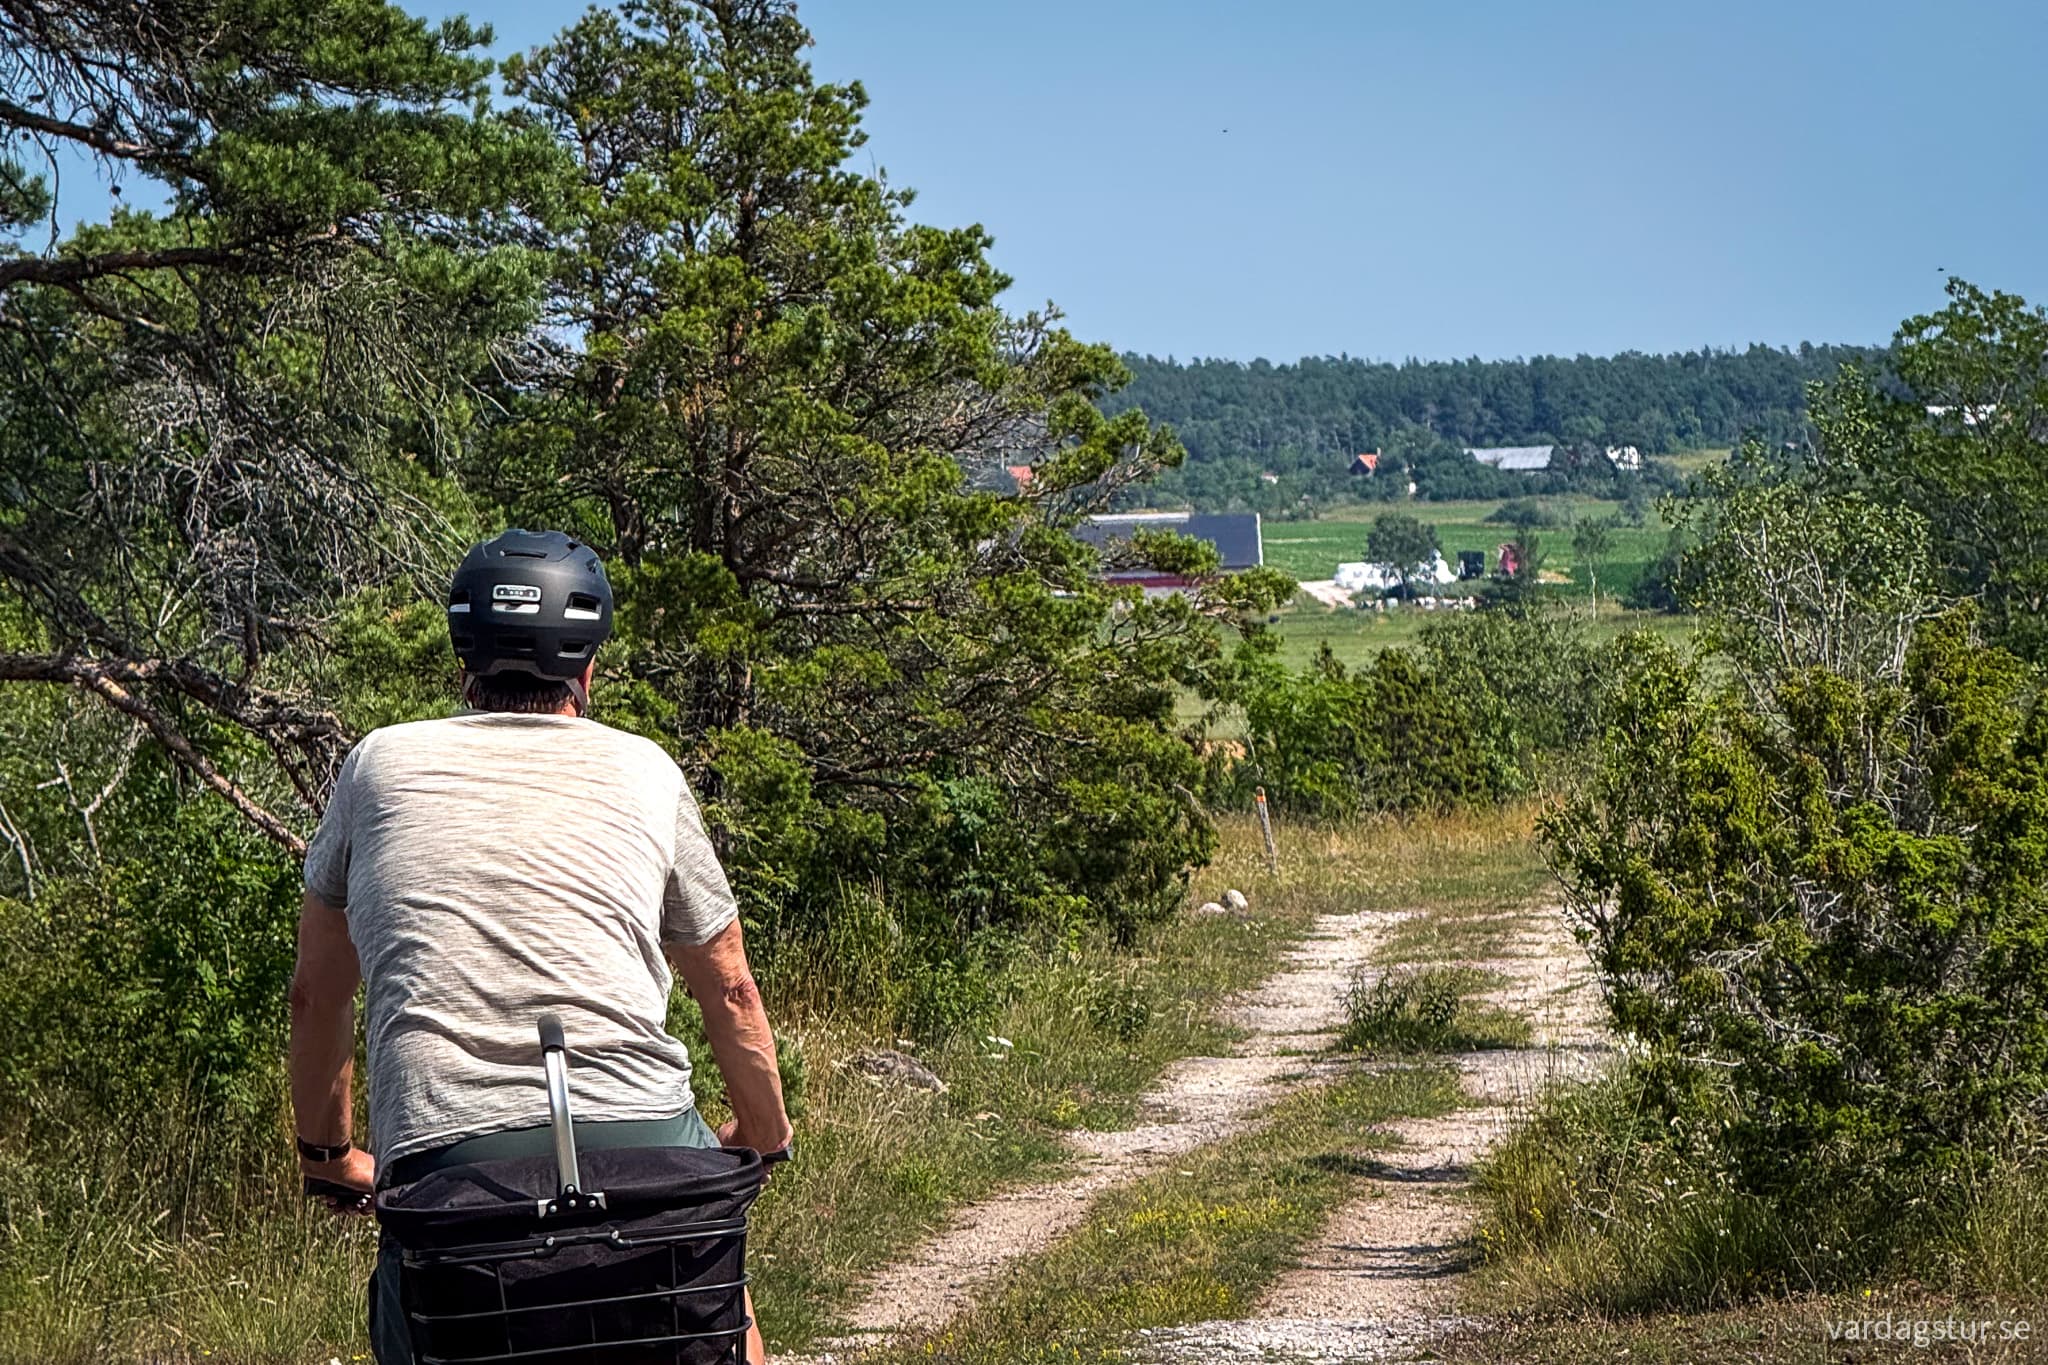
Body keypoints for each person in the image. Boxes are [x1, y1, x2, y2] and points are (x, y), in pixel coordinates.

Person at [288, 528, 792, 1365]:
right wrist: (765, 1132)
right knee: (719, 1314)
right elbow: (729, 986)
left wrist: (327, 1153)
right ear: (588, 670)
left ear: (463, 664)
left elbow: (318, 991)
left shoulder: (377, 765)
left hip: (450, 1157)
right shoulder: (647, 771)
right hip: (644, 1132)